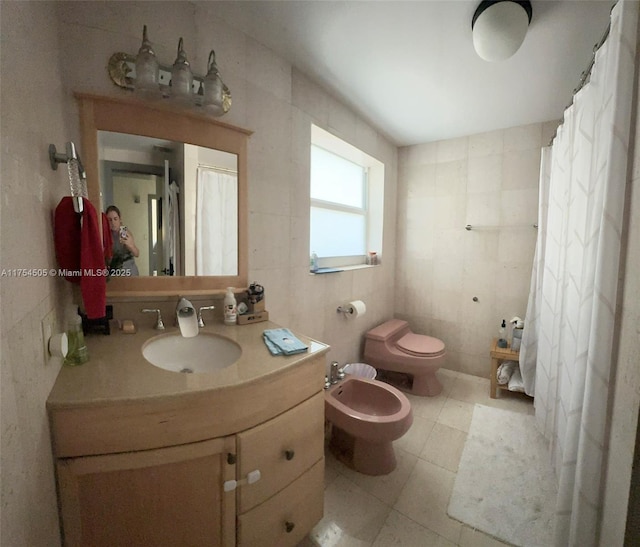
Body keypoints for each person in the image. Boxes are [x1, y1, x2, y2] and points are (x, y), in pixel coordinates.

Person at [105, 205, 140, 276]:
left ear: (120, 219)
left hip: (129, 271)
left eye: (115, 219)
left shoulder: (123, 231)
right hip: (114, 272)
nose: (113, 222)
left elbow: (137, 253)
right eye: (110, 220)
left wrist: (130, 246)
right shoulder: (106, 235)